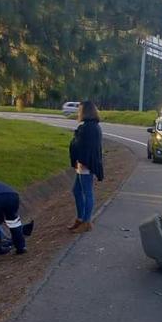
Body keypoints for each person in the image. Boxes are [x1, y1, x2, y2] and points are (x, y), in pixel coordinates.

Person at [68, 100, 104, 233]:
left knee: (87, 192)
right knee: (77, 191)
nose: (78, 112)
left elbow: (87, 148)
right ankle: (81, 218)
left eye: (80, 110)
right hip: (82, 164)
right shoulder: (90, 126)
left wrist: (82, 161)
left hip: (85, 165)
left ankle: (87, 221)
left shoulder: (89, 128)